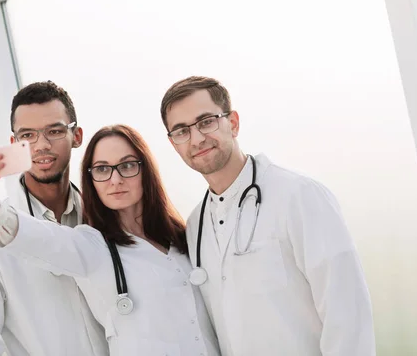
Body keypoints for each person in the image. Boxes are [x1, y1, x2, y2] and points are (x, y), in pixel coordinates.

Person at [159, 75, 376, 356]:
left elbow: (348, 312)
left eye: (206, 122)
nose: (197, 138)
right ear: (174, 143)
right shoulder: (196, 225)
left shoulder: (298, 196)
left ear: (233, 123)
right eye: (181, 131)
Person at [0, 124, 220, 356]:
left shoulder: (182, 238)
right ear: (91, 179)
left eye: (127, 166)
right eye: (102, 169)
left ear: (146, 170)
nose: (115, 180)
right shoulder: (92, 248)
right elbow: (35, 236)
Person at [0, 81, 107, 356]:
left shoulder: (106, 218)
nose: (42, 145)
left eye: (55, 131)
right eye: (28, 135)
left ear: (77, 135)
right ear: (14, 143)